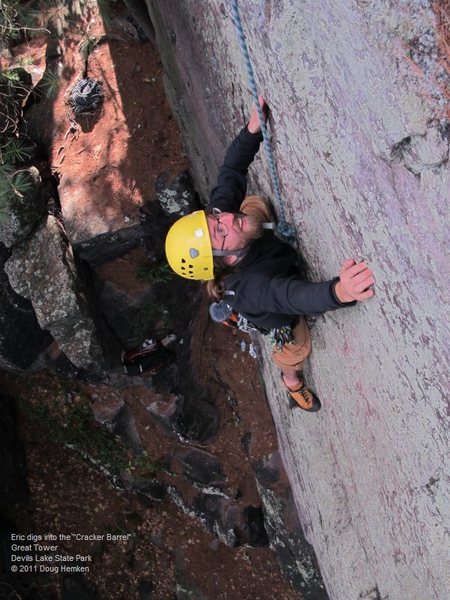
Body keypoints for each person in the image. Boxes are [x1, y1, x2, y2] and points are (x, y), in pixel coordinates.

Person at [165, 97, 375, 412]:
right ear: (224, 257)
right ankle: (292, 384)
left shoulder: (220, 225)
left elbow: (231, 171)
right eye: (219, 231)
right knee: (295, 349)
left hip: (261, 255)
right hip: (278, 313)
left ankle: (241, 277)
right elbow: (296, 297)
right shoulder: (255, 288)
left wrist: (252, 130)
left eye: (214, 219)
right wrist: (340, 291)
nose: (223, 219)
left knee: (251, 208)